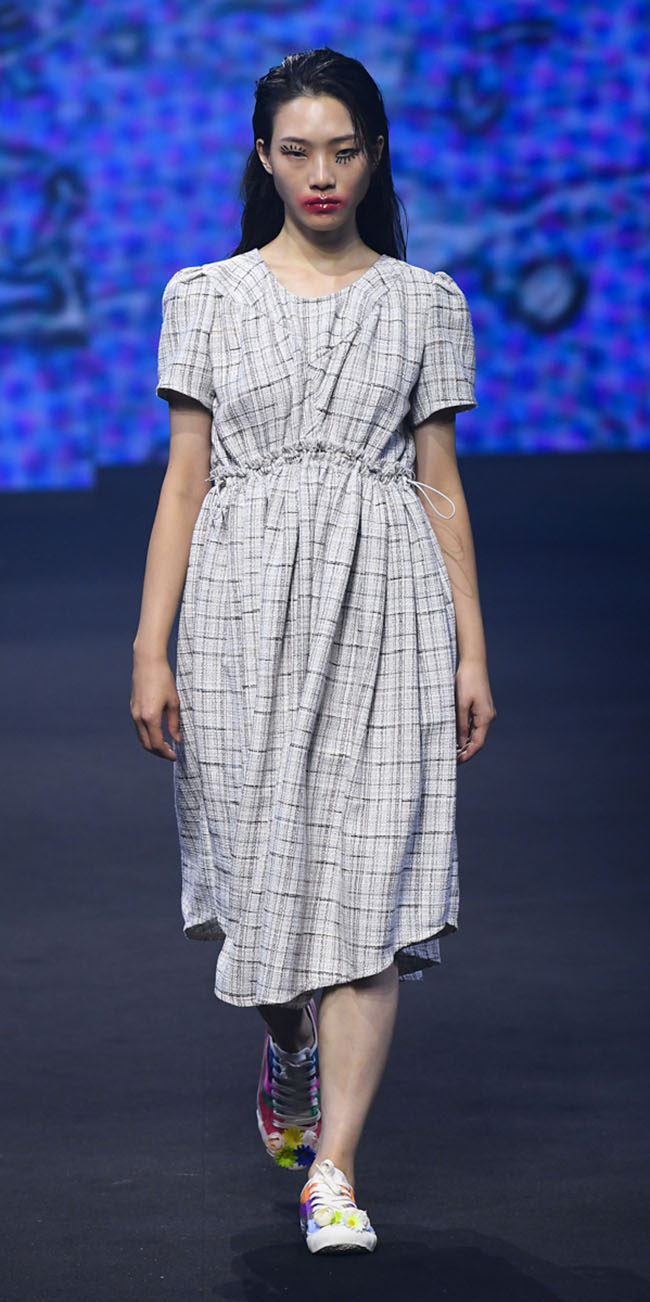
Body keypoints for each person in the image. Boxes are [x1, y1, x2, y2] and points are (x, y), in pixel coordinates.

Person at [130, 47, 496, 1256]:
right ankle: (286, 1047)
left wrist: (470, 652)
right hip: (238, 607)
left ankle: (331, 1170)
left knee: (369, 882)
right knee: (264, 879)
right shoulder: (205, 296)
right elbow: (183, 482)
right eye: (297, 151)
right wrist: (149, 648)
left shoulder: (424, 302)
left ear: (373, 156)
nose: (321, 173)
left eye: (342, 150)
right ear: (262, 157)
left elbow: (440, 486)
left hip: (387, 605)